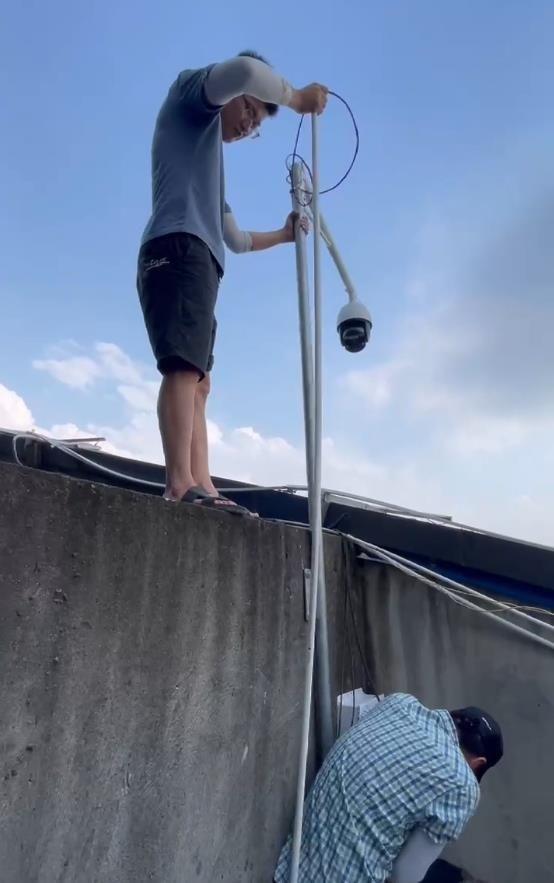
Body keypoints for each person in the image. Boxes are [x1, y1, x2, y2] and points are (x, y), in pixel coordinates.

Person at [137, 52, 328, 516]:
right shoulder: (190, 97)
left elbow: (237, 240)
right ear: (236, 95)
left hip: (201, 258)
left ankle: (201, 482)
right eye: (250, 110)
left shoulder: (211, 166)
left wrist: (284, 235)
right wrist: (296, 98)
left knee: (200, 383)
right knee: (183, 369)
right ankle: (179, 483)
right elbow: (245, 69)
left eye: (256, 125)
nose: (248, 126)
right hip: (177, 247)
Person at [274, 693, 504, 883]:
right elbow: (403, 877)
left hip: (290, 869)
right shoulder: (463, 784)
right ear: (478, 763)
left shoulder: (399, 703)